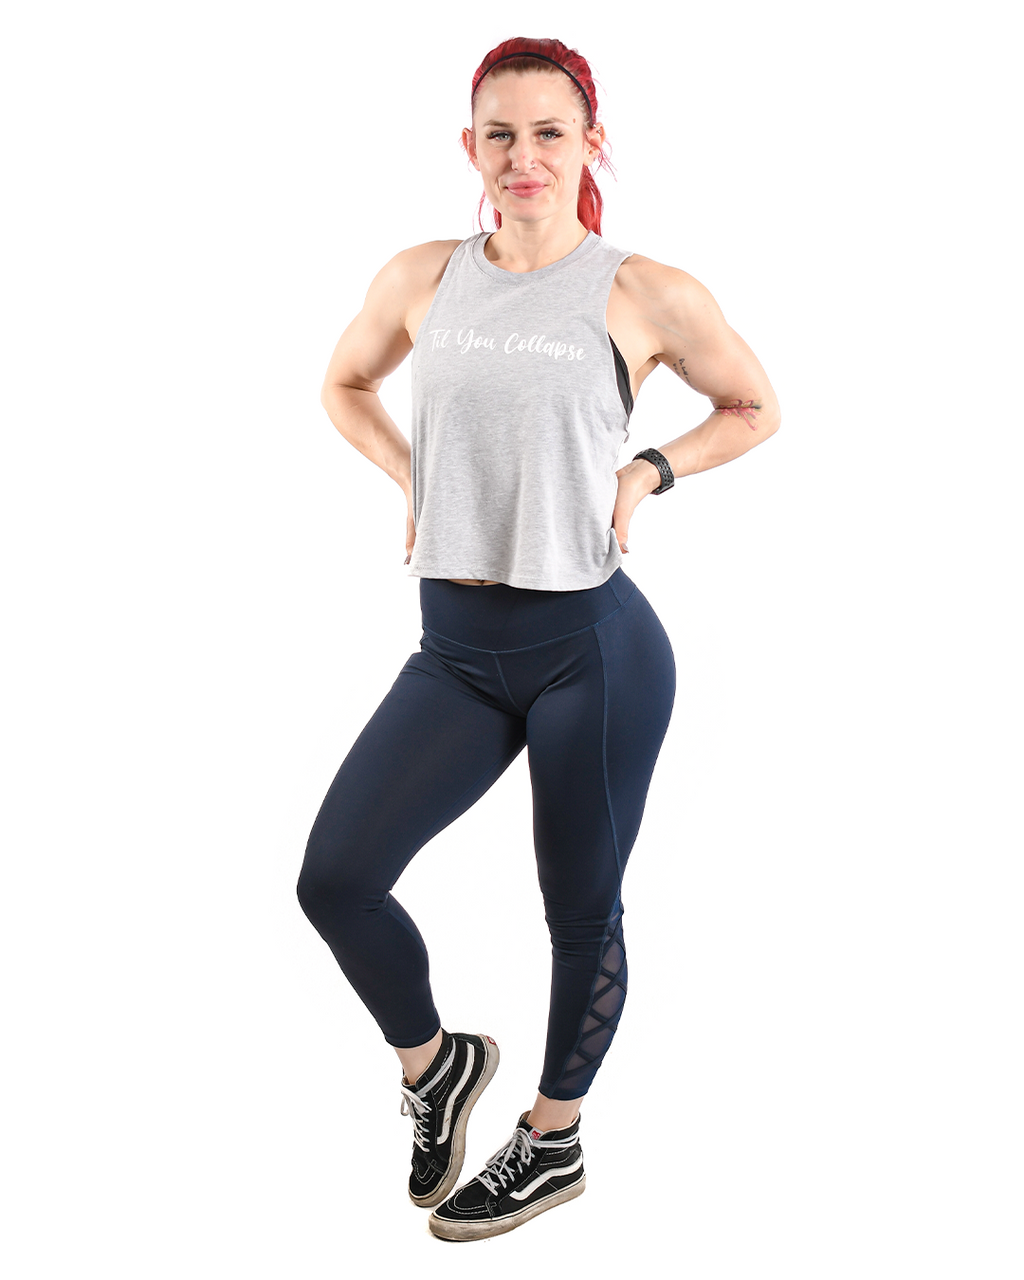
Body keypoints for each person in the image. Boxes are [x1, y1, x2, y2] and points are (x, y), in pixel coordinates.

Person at [297, 35, 782, 1242]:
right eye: (500, 134)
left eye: (549, 133)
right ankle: (436, 1065)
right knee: (336, 877)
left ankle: (552, 1137)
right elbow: (344, 385)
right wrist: (412, 473)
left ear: (590, 144)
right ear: (470, 148)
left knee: (579, 908)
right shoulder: (422, 276)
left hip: (592, 652)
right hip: (455, 652)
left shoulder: (643, 291)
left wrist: (649, 468)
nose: (524, 157)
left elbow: (753, 406)